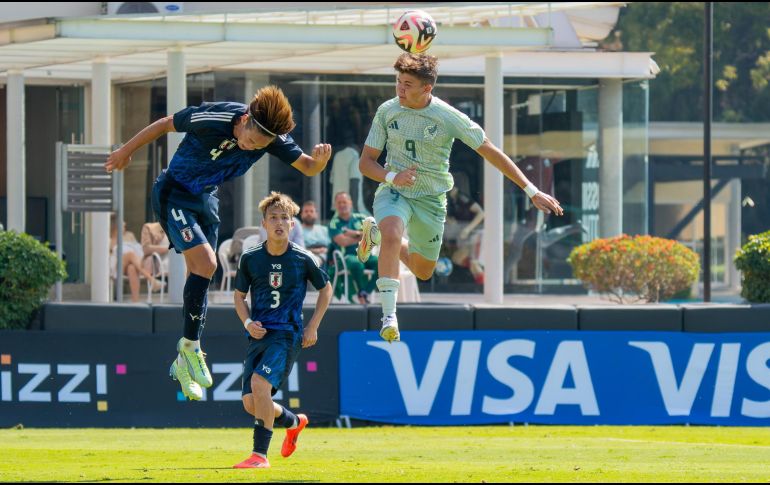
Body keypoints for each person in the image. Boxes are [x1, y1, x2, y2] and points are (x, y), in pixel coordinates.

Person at [105, 86, 331, 401]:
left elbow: (307, 166)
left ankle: (185, 358)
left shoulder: (271, 138)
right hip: (174, 192)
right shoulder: (216, 116)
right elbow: (164, 123)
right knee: (207, 263)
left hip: (206, 198)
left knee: (201, 274)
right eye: (251, 140)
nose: (250, 146)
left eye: (259, 147)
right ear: (246, 117)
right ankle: (192, 348)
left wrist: (320, 162)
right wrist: (126, 151)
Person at [357, 53, 563, 342]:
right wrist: (392, 177)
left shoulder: (448, 117)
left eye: (407, 84)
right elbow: (366, 163)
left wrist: (531, 190)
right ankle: (389, 316)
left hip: (431, 200)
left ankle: (376, 236)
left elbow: (490, 149)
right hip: (395, 190)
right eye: (398, 82)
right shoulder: (387, 111)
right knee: (393, 232)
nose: (399, 89)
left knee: (423, 271)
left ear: (426, 88)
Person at [231, 192, 332, 469]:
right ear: (263, 223)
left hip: (287, 334)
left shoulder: (302, 258)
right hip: (258, 334)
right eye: (273, 218)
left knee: (260, 385)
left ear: (293, 224)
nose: (279, 222)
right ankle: (294, 421)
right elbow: (239, 296)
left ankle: (260, 456)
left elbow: (326, 289)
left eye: (284, 218)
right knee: (252, 403)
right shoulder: (250, 258)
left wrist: (313, 325)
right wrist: (248, 323)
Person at [329, 191, 378, 304]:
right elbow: (343, 242)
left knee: (381, 263)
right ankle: (360, 292)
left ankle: (365, 292)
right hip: (346, 257)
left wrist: (351, 233)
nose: (342, 205)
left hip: (366, 254)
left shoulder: (361, 217)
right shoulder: (334, 223)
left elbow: (374, 235)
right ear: (335, 205)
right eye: (339, 202)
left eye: (344, 202)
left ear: (350, 203)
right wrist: (362, 236)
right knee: (356, 263)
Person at [110, 215, 163, 303]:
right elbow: (111, 255)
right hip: (118, 267)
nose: (125, 224)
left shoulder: (129, 235)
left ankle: (135, 302)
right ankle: (151, 280)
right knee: (130, 254)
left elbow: (138, 249)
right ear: (116, 226)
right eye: (122, 223)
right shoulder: (111, 239)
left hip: (133, 264)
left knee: (132, 268)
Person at [447, 186, 485, 284]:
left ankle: (484, 287)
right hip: (463, 236)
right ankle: (481, 282)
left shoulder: (462, 198)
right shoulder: (449, 200)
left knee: (474, 263)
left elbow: (481, 213)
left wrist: (468, 229)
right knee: (457, 258)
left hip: (475, 234)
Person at [299, 200, 330, 268]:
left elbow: (331, 246)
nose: (309, 214)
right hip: (305, 259)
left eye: (311, 211)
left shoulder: (324, 230)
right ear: (301, 214)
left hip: (325, 260)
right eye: (306, 211)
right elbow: (296, 249)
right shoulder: (298, 230)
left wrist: (327, 250)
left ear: (316, 214)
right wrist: (315, 251)